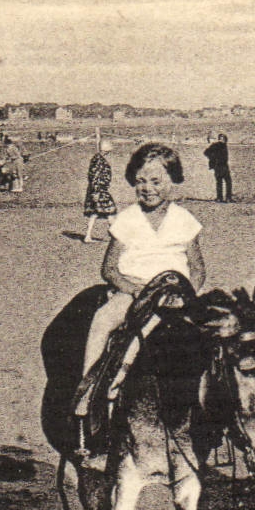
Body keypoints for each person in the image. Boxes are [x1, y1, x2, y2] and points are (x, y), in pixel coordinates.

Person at [76, 142, 206, 412]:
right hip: (132, 292)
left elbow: (197, 268)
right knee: (102, 320)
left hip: (174, 293)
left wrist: (187, 294)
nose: (148, 188)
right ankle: (88, 390)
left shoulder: (185, 220)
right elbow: (109, 268)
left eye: (156, 181)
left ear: (172, 181)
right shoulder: (127, 219)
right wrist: (132, 289)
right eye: (140, 181)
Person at [82, 138, 116, 243]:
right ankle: (116, 234)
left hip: (98, 190)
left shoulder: (97, 159)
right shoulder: (99, 160)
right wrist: (96, 192)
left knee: (96, 213)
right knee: (109, 210)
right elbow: (95, 177)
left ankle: (88, 236)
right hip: (99, 190)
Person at [204, 133, 233, 202]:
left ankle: (220, 198)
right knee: (227, 181)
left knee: (220, 182)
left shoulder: (218, 145)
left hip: (220, 166)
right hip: (221, 166)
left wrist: (212, 159)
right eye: (222, 139)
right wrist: (213, 159)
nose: (223, 140)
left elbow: (206, 152)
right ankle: (227, 198)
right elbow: (206, 152)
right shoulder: (218, 145)